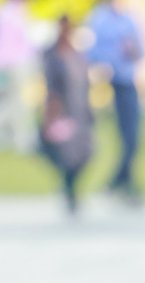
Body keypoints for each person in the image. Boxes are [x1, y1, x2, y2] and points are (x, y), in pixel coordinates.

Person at [85, 0, 145, 202]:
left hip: (128, 81)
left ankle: (123, 181)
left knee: (133, 138)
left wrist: (132, 50)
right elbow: (92, 53)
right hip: (110, 82)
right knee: (126, 137)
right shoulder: (98, 19)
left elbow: (142, 49)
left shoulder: (129, 18)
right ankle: (119, 182)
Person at [38, 15, 93, 215]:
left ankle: (69, 185)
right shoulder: (52, 55)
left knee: (86, 153)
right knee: (67, 155)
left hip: (80, 110)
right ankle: (69, 189)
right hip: (63, 110)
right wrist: (51, 114)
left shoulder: (77, 54)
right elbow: (52, 87)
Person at [0, 0, 35, 154]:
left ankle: (13, 138)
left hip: (10, 64)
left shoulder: (11, 14)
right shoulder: (12, 15)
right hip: (14, 65)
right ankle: (19, 139)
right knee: (14, 103)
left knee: (10, 101)